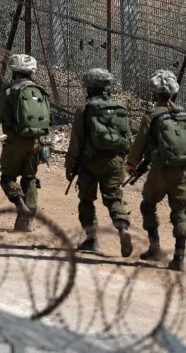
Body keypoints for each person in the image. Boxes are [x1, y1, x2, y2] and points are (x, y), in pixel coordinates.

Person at [127, 69, 186, 272]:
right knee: (180, 211)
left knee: (148, 205)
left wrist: (132, 163)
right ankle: (179, 257)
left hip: (160, 171)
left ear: (155, 93)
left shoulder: (152, 115)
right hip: (183, 172)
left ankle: (155, 248)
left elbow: (140, 141)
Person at [64, 68, 133, 257]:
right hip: (115, 161)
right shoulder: (120, 106)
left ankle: (92, 239)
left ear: (89, 87)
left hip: (90, 162)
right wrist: (126, 159)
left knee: (86, 200)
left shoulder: (85, 108)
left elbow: (76, 140)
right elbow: (127, 137)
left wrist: (70, 164)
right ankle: (123, 229)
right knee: (113, 199)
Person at [0, 54, 51, 232]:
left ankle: (20, 205)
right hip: (36, 143)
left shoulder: (9, 91)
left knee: (7, 178)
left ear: (14, 71)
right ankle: (28, 221)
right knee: (30, 179)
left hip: (14, 142)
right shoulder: (40, 91)